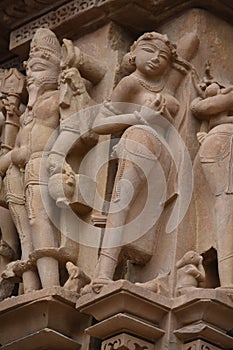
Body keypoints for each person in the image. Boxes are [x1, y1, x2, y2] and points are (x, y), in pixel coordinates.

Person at [84, 31, 192, 293]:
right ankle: (103, 274)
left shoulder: (167, 87)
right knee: (123, 202)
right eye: (149, 50)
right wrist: (138, 117)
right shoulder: (131, 84)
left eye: (163, 56)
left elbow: (190, 43)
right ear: (132, 54)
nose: (156, 58)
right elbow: (98, 124)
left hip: (163, 155)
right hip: (137, 142)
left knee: (134, 208)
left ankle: (109, 272)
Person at [0, 28, 62, 292]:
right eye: (30, 70)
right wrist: (14, 155)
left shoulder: (60, 99)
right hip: (18, 171)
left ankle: (50, 286)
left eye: (38, 68)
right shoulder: (26, 115)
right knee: (24, 231)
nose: (31, 78)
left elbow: (76, 134)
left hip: (41, 165)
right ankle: (30, 287)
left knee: (39, 221)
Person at [191, 81, 233, 289]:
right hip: (220, 146)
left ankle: (226, 283)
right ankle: (225, 283)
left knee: (225, 205)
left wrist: (206, 96)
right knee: (224, 204)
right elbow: (201, 109)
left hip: (222, 143)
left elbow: (200, 108)